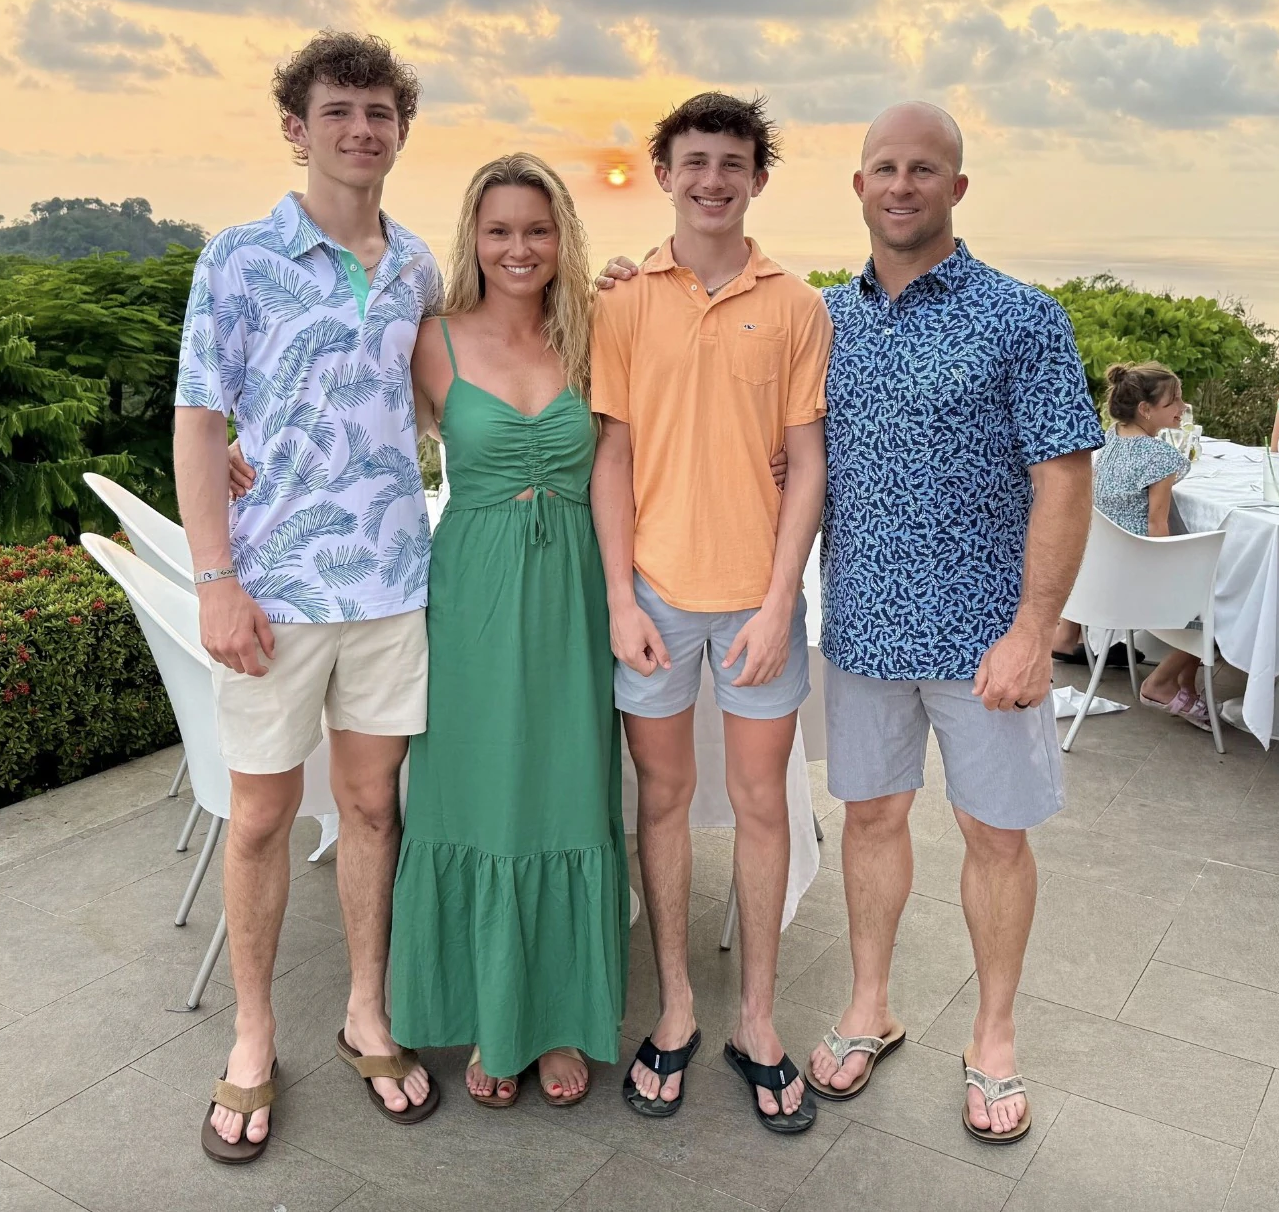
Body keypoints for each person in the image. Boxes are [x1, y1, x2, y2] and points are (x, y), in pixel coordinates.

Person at [805, 101, 1102, 1144]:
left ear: (957, 187)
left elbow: (1064, 477)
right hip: (861, 629)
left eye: (923, 168)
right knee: (869, 820)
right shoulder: (819, 321)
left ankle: (993, 1036)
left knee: (995, 835)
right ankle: (868, 1007)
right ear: (857, 186)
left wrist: (1034, 629)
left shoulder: (1023, 318)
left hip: (986, 640)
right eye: (883, 167)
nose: (901, 185)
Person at [175, 32, 442, 1163]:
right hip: (274, 592)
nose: (360, 130)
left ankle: (365, 1011)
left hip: (390, 586)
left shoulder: (419, 265)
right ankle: (252, 1033)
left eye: (379, 112)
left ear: (399, 129)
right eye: (338, 111)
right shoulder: (239, 259)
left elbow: (464, 385)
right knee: (261, 818)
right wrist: (216, 580)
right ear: (297, 128)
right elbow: (199, 421)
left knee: (374, 809)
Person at [590, 92, 832, 1135]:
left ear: (757, 179)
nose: (712, 180)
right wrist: (617, 598)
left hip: (754, 602)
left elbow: (808, 462)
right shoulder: (620, 302)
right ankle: (678, 1007)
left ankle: (759, 1021)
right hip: (651, 593)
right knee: (661, 799)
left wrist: (780, 602)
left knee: (762, 804)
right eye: (693, 162)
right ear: (664, 174)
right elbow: (610, 456)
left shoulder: (798, 304)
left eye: (731, 164)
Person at [387, 153, 630, 1104]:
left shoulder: (596, 333)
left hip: (574, 590)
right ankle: (496, 1015)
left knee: (567, 791)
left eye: (537, 229)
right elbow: (347, 423)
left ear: (563, 237)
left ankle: (559, 1019)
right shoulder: (431, 339)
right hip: (473, 599)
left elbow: (635, 451)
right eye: (500, 230)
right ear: (474, 239)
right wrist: (242, 454)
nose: (518, 247)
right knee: (479, 795)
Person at [1093, 362, 1209, 729]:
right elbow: (1157, 527)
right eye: (1173, 401)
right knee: (1225, 603)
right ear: (1145, 409)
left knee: (1208, 585)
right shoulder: (1159, 457)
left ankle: (1184, 685)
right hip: (1138, 578)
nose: (1182, 407)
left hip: (1102, 573)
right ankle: (1161, 683)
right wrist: (1176, 574)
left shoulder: (1111, 438)